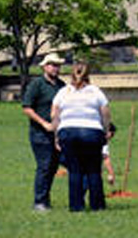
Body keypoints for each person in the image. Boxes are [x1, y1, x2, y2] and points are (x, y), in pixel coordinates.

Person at [51, 62, 112, 212]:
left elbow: (54, 115)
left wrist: (56, 136)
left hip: (68, 132)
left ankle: (76, 206)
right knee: (93, 170)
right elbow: (105, 114)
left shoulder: (63, 92)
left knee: (75, 171)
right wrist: (105, 130)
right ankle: (97, 206)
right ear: (88, 75)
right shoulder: (96, 92)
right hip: (92, 132)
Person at [21, 52, 66, 211]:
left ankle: (45, 199)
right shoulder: (36, 84)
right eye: (52, 65)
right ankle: (39, 201)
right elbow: (27, 108)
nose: (55, 68)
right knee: (44, 166)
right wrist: (44, 124)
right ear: (45, 67)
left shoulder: (62, 86)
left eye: (57, 65)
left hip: (57, 134)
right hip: (40, 134)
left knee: (53, 167)